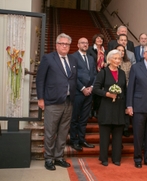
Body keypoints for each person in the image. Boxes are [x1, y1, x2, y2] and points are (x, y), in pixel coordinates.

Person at [36, 33, 77, 171]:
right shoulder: (48, 58)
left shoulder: (72, 59)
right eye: (62, 44)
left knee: (63, 131)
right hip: (52, 101)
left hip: (68, 101)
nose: (65, 46)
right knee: (50, 131)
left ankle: (59, 157)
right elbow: (40, 79)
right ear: (57, 45)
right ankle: (48, 158)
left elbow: (72, 79)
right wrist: (40, 98)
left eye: (67, 44)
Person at [92, 49, 127, 167]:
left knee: (118, 135)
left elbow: (125, 90)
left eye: (119, 59)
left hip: (119, 107)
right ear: (110, 59)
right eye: (116, 58)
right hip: (106, 107)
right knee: (105, 135)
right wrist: (107, 94)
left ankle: (116, 158)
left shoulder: (122, 73)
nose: (118, 61)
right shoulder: (103, 72)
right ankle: (104, 158)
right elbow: (96, 89)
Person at [69, 37, 97, 151]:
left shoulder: (91, 58)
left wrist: (91, 87)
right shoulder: (72, 57)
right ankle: (74, 141)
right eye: (82, 43)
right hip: (78, 93)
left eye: (86, 43)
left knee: (84, 119)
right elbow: (72, 75)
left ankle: (82, 139)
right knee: (75, 118)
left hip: (89, 93)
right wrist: (83, 88)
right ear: (78, 45)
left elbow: (95, 74)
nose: (85, 45)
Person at [87, 33, 106, 118]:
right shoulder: (90, 49)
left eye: (101, 39)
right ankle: (90, 110)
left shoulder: (105, 50)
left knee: (99, 93)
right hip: (92, 73)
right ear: (94, 40)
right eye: (98, 38)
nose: (99, 40)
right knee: (92, 92)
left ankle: (96, 109)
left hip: (102, 74)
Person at [115, 44, 132, 137]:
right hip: (114, 90)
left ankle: (125, 128)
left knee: (125, 109)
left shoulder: (128, 63)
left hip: (125, 89)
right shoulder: (110, 62)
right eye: (119, 50)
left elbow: (129, 76)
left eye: (122, 50)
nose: (121, 52)